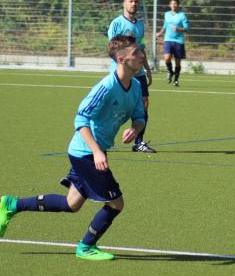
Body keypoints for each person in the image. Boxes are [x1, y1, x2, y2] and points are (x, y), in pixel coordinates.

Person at [0, 35, 146, 261]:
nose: (142, 56)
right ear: (121, 59)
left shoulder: (135, 86)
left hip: (95, 151)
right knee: (116, 203)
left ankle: (12, 204)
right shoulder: (106, 87)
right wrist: (97, 151)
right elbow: (81, 120)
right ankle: (86, 247)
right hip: (85, 152)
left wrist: (136, 129)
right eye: (137, 52)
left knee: (72, 203)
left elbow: (140, 116)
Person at [108, 0, 156, 153]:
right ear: (124, 3)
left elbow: (141, 48)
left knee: (144, 105)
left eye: (136, 1)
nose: (133, 4)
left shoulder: (140, 25)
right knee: (114, 106)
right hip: (121, 74)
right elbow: (112, 49)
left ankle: (139, 142)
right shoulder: (116, 23)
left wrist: (147, 69)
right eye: (130, 1)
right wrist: (123, 67)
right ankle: (101, 138)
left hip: (139, 72)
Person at [156, 0, 190, 87]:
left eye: (175, 4)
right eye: (172, 4)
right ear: (170, 5)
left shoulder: (182, 15)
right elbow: (165, 25)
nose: (174, 5)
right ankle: (170, 72)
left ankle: (176, 80)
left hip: (179, 41)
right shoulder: (166, 14)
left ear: (178, 5)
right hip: (168, 39)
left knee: (177, 62)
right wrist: (160, 33)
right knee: (167, 58)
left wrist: (178, 29)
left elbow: (187, 28)